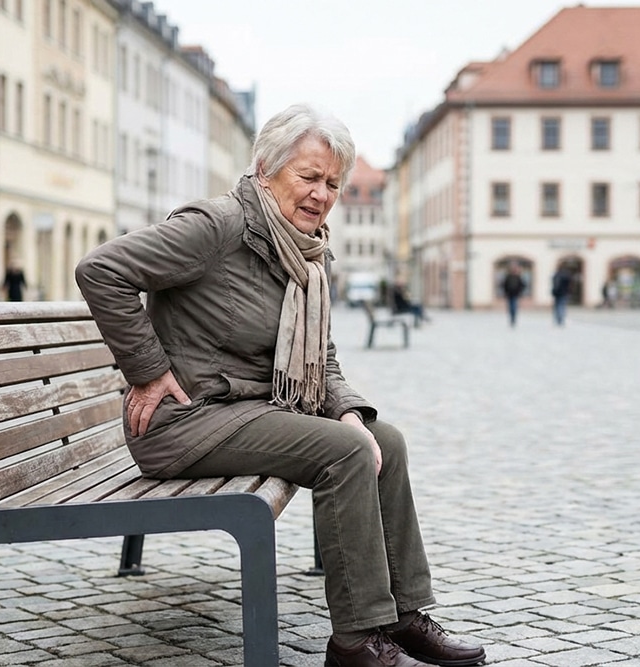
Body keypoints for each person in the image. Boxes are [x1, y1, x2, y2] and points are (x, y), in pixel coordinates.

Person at [75, 104, 486, 667]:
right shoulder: (216, 226)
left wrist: (345, 411)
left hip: (247, 413)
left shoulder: (305, 254)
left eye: (333, 184)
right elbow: (102, 270)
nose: (322, 194)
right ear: (265, 169)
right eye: (309, 177)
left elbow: (324, 357)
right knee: (342, 454)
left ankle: (402, 613)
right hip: (186, 421)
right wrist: (146, 370)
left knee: (378, 438)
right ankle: (355, 642)